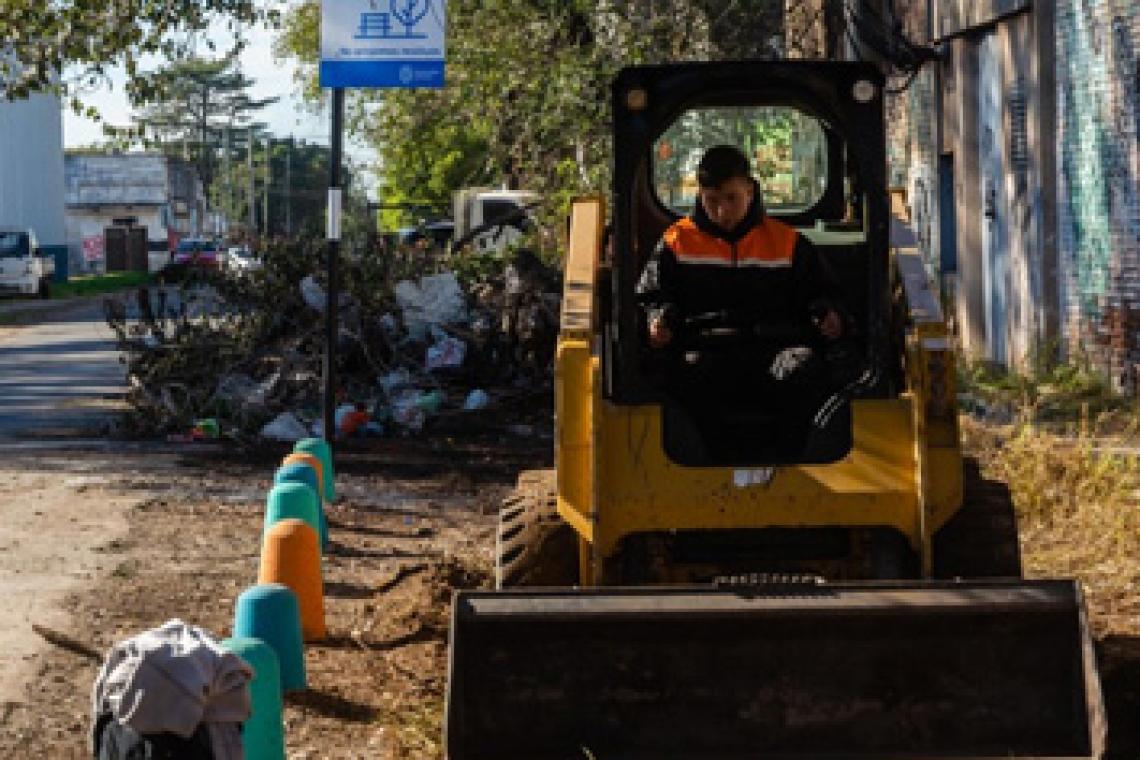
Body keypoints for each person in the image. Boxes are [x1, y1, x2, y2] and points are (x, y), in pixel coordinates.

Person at [636, 144, 852, 456]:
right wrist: (657, 320)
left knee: (803, 367)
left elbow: (824, 293)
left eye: (731, 198)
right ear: (699, 195)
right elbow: (650, 297)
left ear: (750, 191)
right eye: (711, 200)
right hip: (706, 353)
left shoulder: (786, 242)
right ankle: (706, 470)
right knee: (687, 374)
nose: (721, 211)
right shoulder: (676, 243)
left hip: (773, 351)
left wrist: (831, 316)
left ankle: (791, 464)